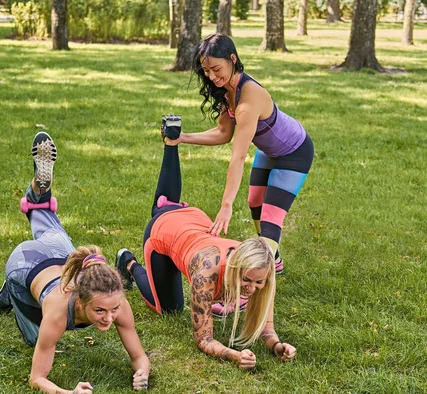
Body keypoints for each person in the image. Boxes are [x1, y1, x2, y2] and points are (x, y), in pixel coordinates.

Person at [114, 122, 297, 370]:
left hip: (196, 221)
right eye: (247, 280)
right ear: (236, 266)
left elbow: (268, 329)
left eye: (258, 282)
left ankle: (171, 145)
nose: (252, 288)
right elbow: (203, 339)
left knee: (165, 203)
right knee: (168, 308)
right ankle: (129, 262)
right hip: (164, 232)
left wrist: (277, 346)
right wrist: (233, 355)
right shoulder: (207, 274)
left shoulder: (260, 266)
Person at [0, 132, 150, 394]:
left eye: (113, 310)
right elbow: (37, 377)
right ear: (80, 299)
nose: (109, 318)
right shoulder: (57, 312)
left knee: (44, 215)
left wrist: (143, 372)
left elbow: (138, 356)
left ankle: (39, 194)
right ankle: (10, 291)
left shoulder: (114, 299)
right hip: (26, 262)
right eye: (99, 311)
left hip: (61, 255)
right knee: (34, 339)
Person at [166, 34, 314, 284]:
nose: (212, 76)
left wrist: (226, 206)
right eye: (206, 71)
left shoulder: (249, 97)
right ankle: (272, 258)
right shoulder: (227, 92)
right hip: (269, 150)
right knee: (255, 201)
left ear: (232, 59)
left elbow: (238, 156)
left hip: (294, 153)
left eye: (216, 69)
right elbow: (224, 133)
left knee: (270, 219)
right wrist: (183, 138)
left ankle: (253, 282)